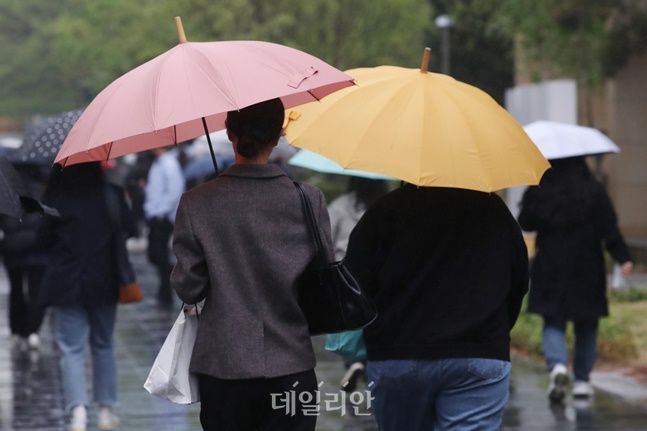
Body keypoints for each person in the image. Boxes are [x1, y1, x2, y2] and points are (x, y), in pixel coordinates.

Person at [171, 98, 332, 431]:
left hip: (223, 368)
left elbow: (188, 287)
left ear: (229, 132)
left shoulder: (197, 202)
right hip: (292, 364)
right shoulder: (308, 198)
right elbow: (324, 271)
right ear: (279, 134)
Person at [344, 185, 529, 430]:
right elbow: (518, 281)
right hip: (480, 351)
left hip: (398, 351)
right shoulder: (495, 212)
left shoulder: (386, 210)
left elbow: (353, 281)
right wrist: (497, 329)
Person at [518, 156, 633, 402]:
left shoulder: (542, 189)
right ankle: (582, 381)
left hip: (551, 265)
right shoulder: (594, 191)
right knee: (587, 324)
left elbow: (525, 222)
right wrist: (623, 257)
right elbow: (610, 228)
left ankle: (558, 367)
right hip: (587, 266)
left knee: (553, 320)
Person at [38, 162, 134, 431]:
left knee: (71, 348)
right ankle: (105, 410)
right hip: (105, 281)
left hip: (67, 283)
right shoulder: (112, 194)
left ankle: (78, 412)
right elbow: (130, 227)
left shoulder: (57, 197)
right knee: (103, 344)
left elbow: (41, 239)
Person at [326, 176, 388, 391]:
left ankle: (354, 363)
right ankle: (369, 368)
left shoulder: (340, 205)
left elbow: (327, 240)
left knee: (353, 325)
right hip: (381, 277)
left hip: (347, 276)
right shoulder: (389, 206)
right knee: (378, 325)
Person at [0, 164, 48, 351]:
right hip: (37, 249)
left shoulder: (6, 193)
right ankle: (33, 331)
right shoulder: (43, 190)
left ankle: (17, 330)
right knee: (37, 291)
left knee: (16, 290)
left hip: (12, 250)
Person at [144, 147, 185, 306]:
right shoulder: (158, 164)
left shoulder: (169, 163)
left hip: (162, 216)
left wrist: (161, 211)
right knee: (155, 255)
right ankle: (166, 284)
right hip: (155, 214)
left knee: (159, 255)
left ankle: (165, 292)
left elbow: (175, 190)